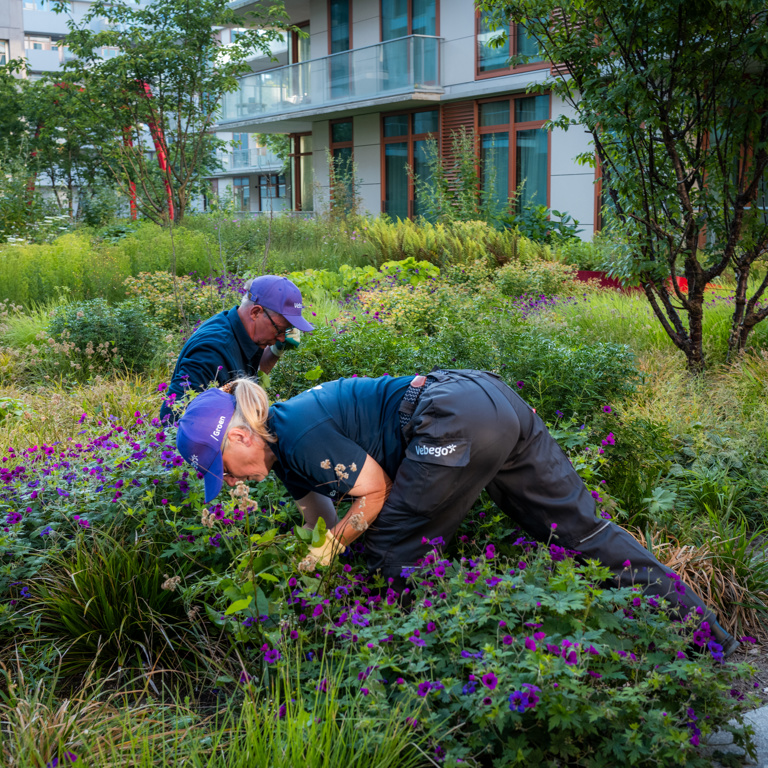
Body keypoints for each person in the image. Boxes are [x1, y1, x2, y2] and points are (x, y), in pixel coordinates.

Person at [175, 368, 739, 657]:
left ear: (243, 436)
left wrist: (332, 552)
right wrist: (320, 551)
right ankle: (715, 643)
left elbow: (371, 496)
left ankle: (406, 667)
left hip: (452, 418)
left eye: (218, 465)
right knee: (580, 533)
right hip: (488, 399)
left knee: (389, 548)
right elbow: (321, 523)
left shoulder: (299, 432)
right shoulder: (286, 450)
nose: (223, 482)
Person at [160, 275, 314, 423]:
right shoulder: (210, 350)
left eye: (287, 331)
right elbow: (173, 417)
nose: (281, 337)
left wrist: (276, 350)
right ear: (255, 313)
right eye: (280, 329)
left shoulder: (248, 332)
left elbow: (252, 374)